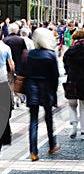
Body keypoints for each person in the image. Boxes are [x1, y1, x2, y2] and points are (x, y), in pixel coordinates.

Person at [25, 28, 60, 161]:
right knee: (48, 118)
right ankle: (52, 144)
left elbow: (25, 72)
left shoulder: (29, 54)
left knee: (33, 120)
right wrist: (54, 95)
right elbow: (55, 76)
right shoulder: (50, 55)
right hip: (46, 89)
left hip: (32, 88)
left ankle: (33, 151)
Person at [63, 30, 84, 140]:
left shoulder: (71, 50)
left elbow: (65, 63)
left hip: (72, 80)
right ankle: (83, 130)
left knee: (71, 104)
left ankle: (74, 124)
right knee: (83, 106)